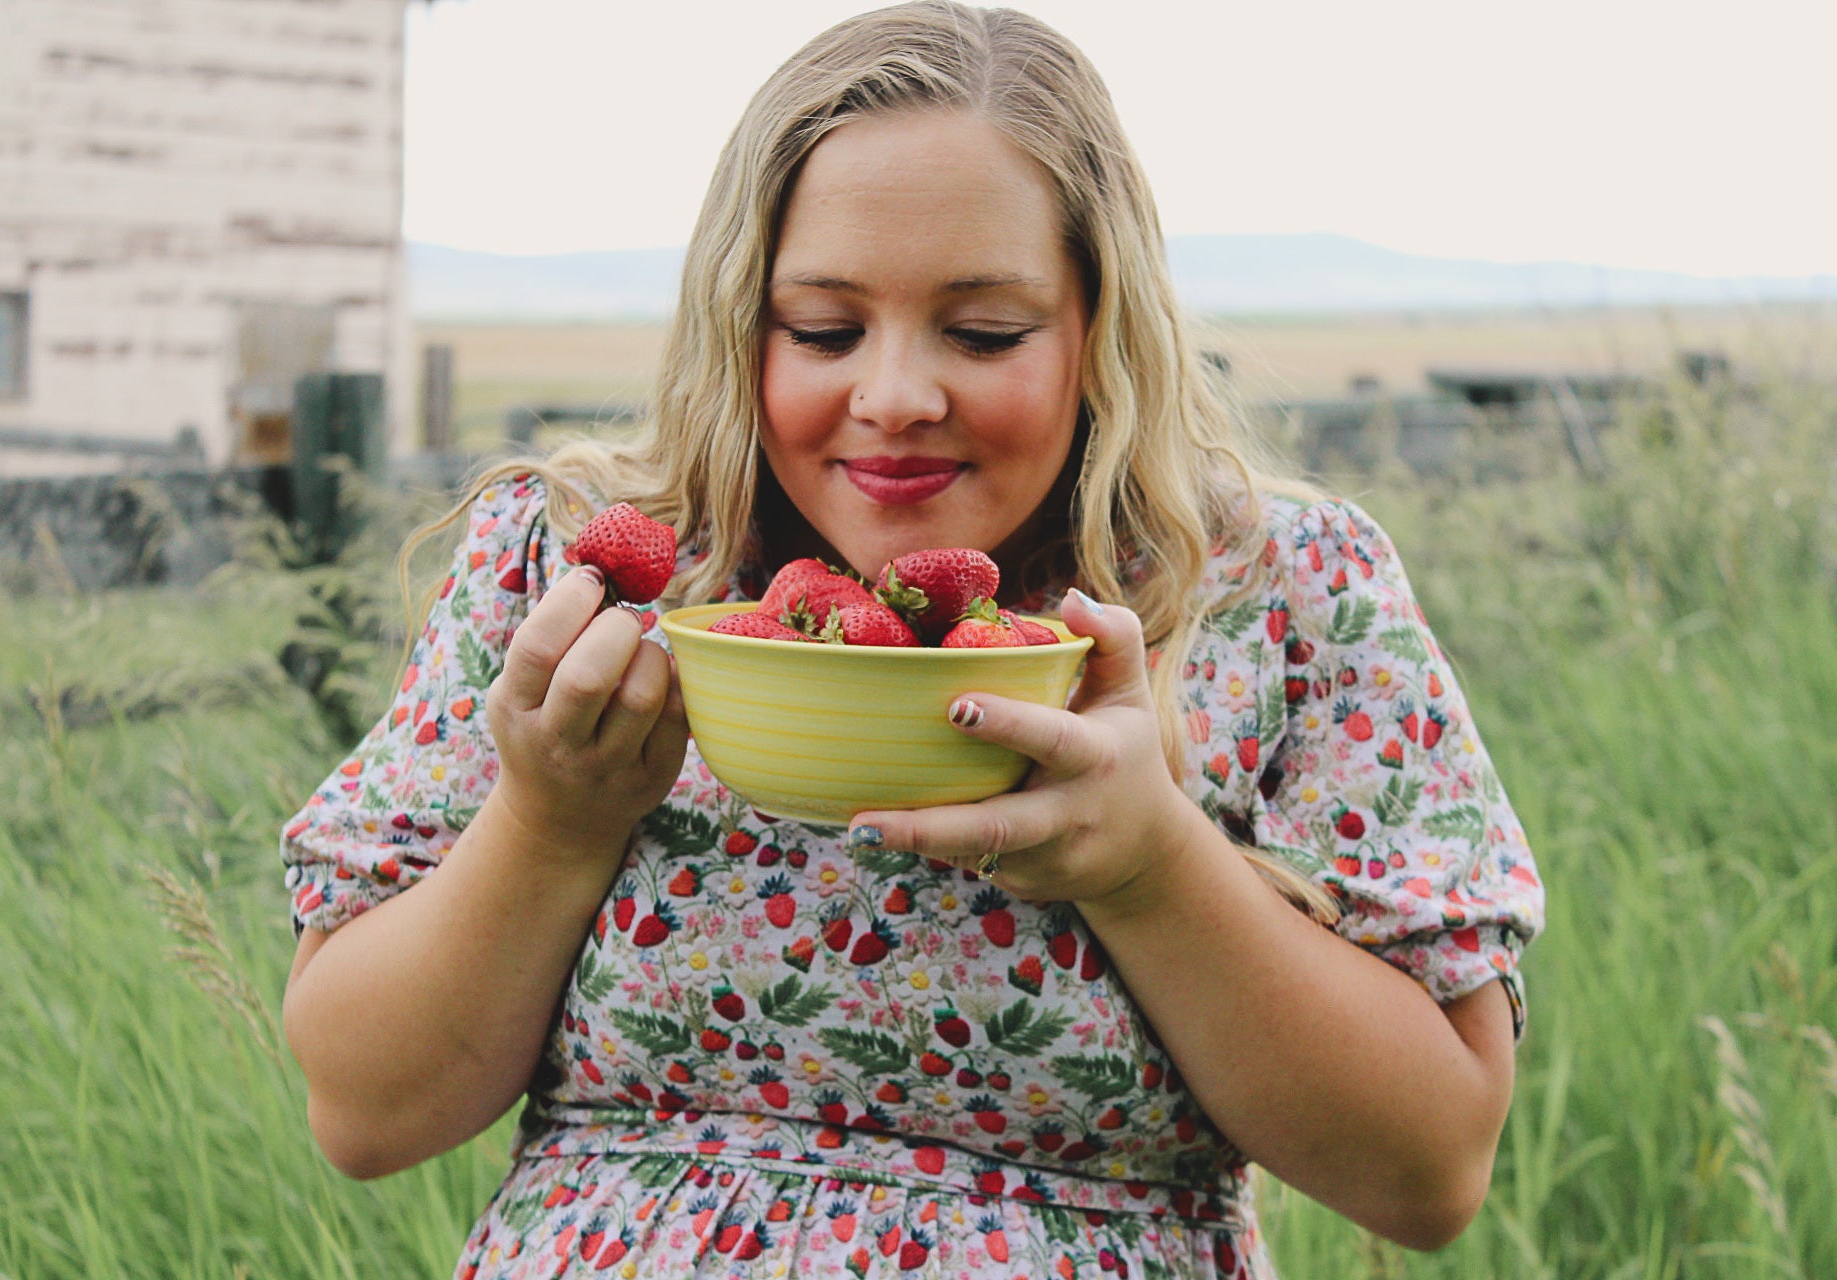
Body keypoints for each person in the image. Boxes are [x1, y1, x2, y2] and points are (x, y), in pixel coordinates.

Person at [278, 4, 1545, 1277]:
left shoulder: (1273, 597)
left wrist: (1151, 863)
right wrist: (552, 820)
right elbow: (367, 1107)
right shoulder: (587, 570)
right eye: (823, 329)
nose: (892, 397)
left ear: (1100, 326)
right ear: (740, 319)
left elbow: (1428, 1169)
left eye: (985, 332)